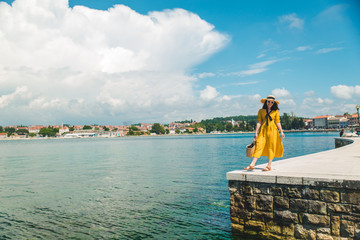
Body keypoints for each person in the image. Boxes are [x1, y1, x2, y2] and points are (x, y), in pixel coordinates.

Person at [244, 95, 285, 171]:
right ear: (266, 102)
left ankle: (269, 165)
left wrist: (281, 132)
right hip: (263, 130)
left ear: (274, 103)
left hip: (273, 131)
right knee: (259, 145)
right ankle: (252, 164)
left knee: (271, 147)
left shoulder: (275, 111)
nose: (270, 103)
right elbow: (259, 122)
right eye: (268, 101)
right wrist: (256, 132)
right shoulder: (261, 111)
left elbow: (278, 122)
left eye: (272, 102)